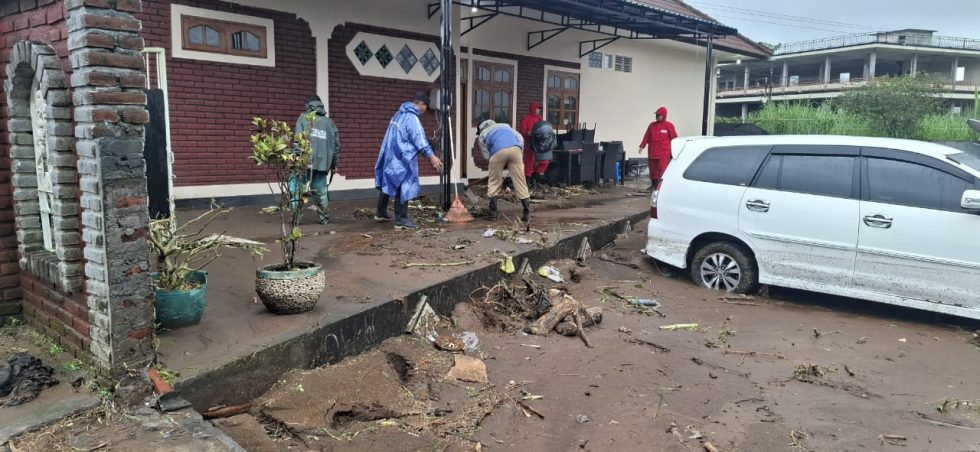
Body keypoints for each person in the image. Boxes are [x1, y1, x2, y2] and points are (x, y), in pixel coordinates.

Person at [374, 92, 443, 229]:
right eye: (425, 108)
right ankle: (401, 220)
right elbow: (418, 138)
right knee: (402, 185)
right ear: (421, 104)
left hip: (391, 154)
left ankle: (380, 212)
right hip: (403, 157)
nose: (424, 111)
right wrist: (431, 156)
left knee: (389, 180)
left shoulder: (398, 114)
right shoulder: (412, 117)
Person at [293, 95, 340, 224]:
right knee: (321, 192)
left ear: (308, 106)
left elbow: (298, 140)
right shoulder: (330, 123)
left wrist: (297, 157)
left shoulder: (303, 118)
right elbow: (336, 146)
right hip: (323, 163)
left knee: (298, 190)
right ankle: (323, 219)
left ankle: (295, 219)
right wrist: (333, 164)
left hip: (304, 162)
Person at [477, 120, 530, 222]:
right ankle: (526, 213)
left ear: (481, 129)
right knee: (521, 182)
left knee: (494, 182)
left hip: (497, 152)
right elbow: (520, 138)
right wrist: (518, 153)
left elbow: (486, 155)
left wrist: (497, 164)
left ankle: (493, 213)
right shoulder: (507, 127)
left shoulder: (482, 134)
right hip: (516, 150)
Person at [638, 106, 678, 190]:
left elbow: (674, 139)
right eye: (656, 115)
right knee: (652, 169)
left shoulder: (669, 126)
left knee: (662, 169)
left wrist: (675, 150)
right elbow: (646, 137)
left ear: (664, 115)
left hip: (663, 152)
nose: (657, 116)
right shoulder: (652, 125)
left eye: (659, 115)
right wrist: (642, 146)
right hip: (652, 151)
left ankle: (661, 186)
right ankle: (654, 185)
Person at [518, 101, 549, 187]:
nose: (539, 110)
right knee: (529, 163)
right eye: (537, 108)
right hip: (529, 144)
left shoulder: (540, 119)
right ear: (533, 108)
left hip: (539, 144)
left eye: (539, 109)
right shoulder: (525, 118)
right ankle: (527, 183)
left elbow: (543, 129)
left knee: (544, 161)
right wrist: (528, 133)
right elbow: (522, 131)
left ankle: (534, 177)